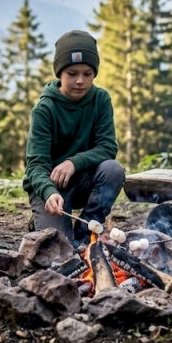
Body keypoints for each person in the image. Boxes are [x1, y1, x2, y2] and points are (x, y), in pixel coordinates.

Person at [24, 30, 125, 247]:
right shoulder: (44, 109)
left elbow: (107, 147)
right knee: (61, 247)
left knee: (113, 169)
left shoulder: (100, 99)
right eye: (72, 73)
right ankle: (45, 218)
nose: (80, 81)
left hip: (84, 180)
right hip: (51, 187)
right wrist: (49, 192)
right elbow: (35, 165)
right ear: (60, 73)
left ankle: (86, 229)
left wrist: (73, 162)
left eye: (87, 73)